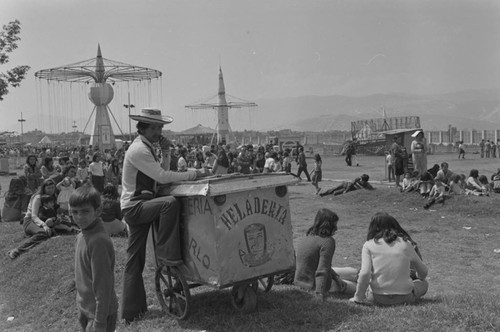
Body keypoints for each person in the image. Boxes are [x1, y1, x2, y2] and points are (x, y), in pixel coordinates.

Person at [120, 108, 205, 323]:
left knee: (134, 260)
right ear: (143, 128)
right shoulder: (139, 149)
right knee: (169, 204)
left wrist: (166, 152)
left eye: (160, 127)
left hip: (142, 203)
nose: (159, 131)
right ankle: (168, 256)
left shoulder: (147, 147)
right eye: (155, 127)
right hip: (135, 206)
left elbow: (159, 176)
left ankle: (131, 311)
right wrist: (194, 174)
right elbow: (163, 176)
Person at [349, 212, 428, 306]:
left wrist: (358, 298)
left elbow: (365, 273)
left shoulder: (368, 245)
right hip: (405, 298)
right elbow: (423, 272)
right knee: (424, 283)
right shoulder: (406, 243)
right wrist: (418, 277)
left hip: (376, 298)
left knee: (366, 281)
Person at [70, 185, 118, 332]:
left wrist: (100, 322)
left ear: (98, 211)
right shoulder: (82, 235)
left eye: (85, 211)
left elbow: (103, 286)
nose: (79, 217)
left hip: (99, 314)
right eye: (75, 212)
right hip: (86, 308)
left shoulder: (98, 241)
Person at [294, 208, 356, 300]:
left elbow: (319, 264)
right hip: (315, 284)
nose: (336, 228)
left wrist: (336, 277)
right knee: (356, 285)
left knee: (353, 272)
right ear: (329, 225)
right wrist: (319, 293)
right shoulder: (327, 242)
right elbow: (322, 270)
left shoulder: (307, 237)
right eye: (335, 224)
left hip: (302, 281)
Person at [7, 179, 58, 259]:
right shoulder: (38, 197)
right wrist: (44, 225)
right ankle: (17, 250)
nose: (51, 190)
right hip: (29, 221)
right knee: (43, 233)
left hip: (43, 220)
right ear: (43, 188)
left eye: (52, 187)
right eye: (49, 188)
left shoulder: (52, 196)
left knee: (47, 233)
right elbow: (33, 216)